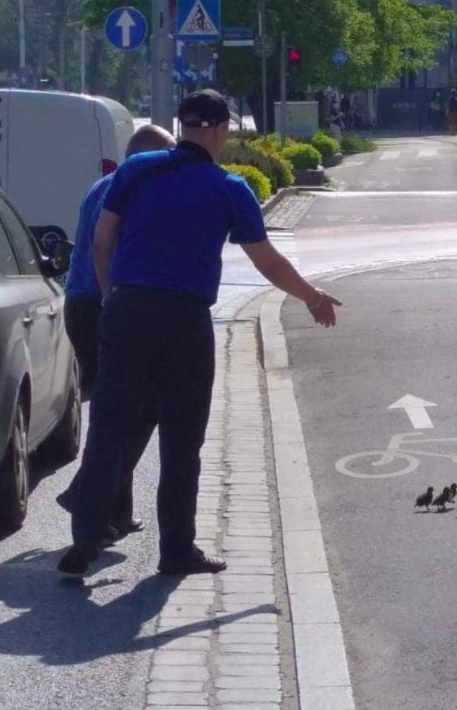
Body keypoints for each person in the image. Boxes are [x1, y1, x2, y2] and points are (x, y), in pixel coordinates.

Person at [58, 89, 341, 576]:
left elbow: (103, 241)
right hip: (184, 320)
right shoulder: (229, 188)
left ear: (182, 125)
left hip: (126, 309)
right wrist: (312, 297)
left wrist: (110, 297)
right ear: (220, 129)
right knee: (182, 437)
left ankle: (86, 540)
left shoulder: (135, 170)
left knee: (109, 426)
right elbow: (268, 263)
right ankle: (176, 550)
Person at [58, 124, 176, 539]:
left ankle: (113, 511)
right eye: (168, 155)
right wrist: (115, 299)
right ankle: (87, 493)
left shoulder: (102, 186)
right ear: (148, 158)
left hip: (81, 303)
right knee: (141, 407)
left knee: (117, 410)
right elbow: (105, 249)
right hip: (106, 303)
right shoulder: (132, 191)